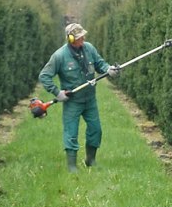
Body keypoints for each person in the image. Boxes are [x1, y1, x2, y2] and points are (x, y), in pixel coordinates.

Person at [39, 23, 120, 172]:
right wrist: (57, 92)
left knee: (96, 130)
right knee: (71, 133)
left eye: (83, 36)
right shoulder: (59, 56)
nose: (82, 39)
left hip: (90, 99)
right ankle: (72, 166)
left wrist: (109, 69)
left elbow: (100, 64)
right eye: (79, 38)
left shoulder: (89, 48)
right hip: (73, 102)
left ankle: (90, 160)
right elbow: (44, 76)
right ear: (70, 39)